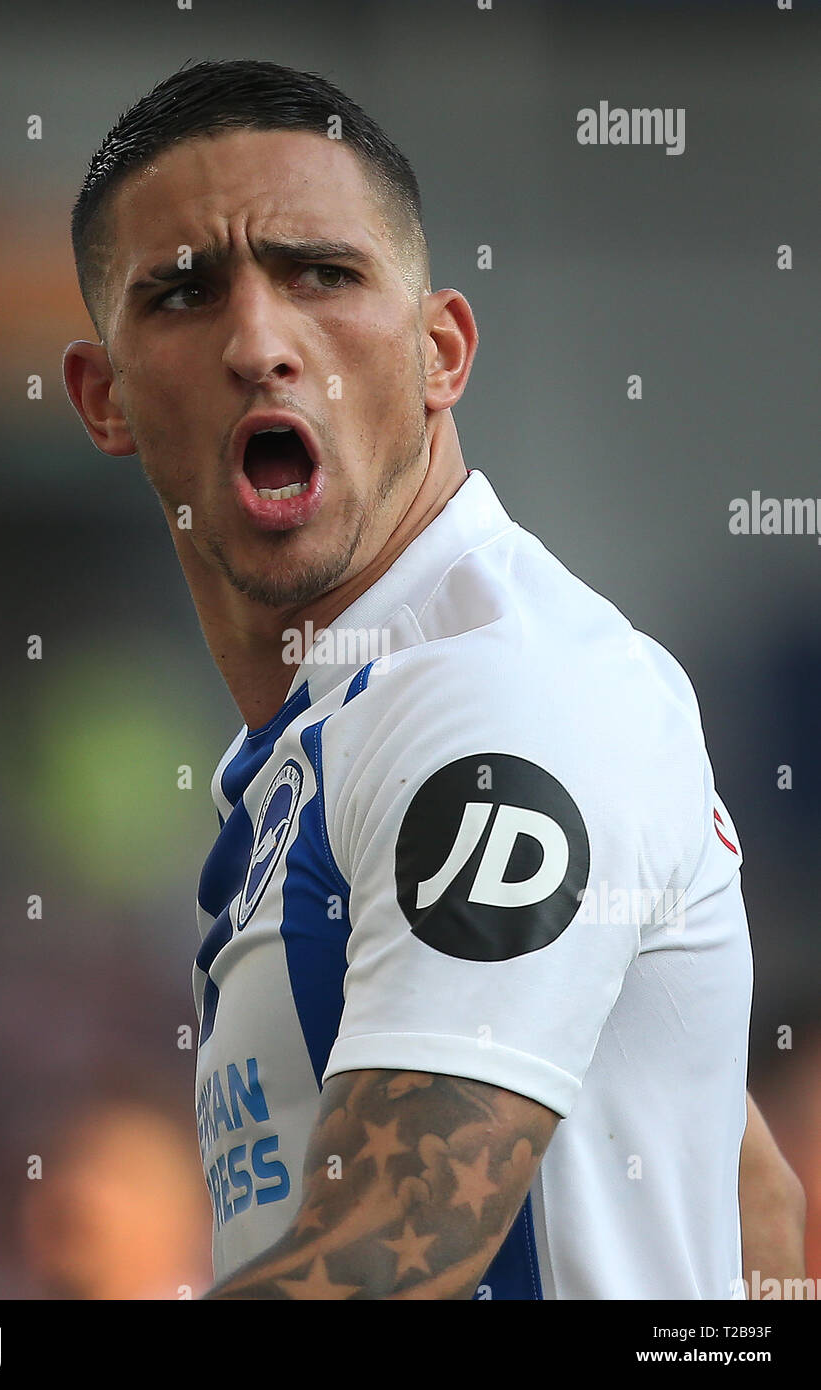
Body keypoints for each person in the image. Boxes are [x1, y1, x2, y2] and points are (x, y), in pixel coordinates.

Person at [63, 59, 804, 1299]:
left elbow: (385, 1260)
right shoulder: (327, 735)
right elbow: (751, 1205)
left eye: (322, 274)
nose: (259, 342)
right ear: (104, 398)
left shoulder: (498, 703)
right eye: (185, 294)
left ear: (439, 352)